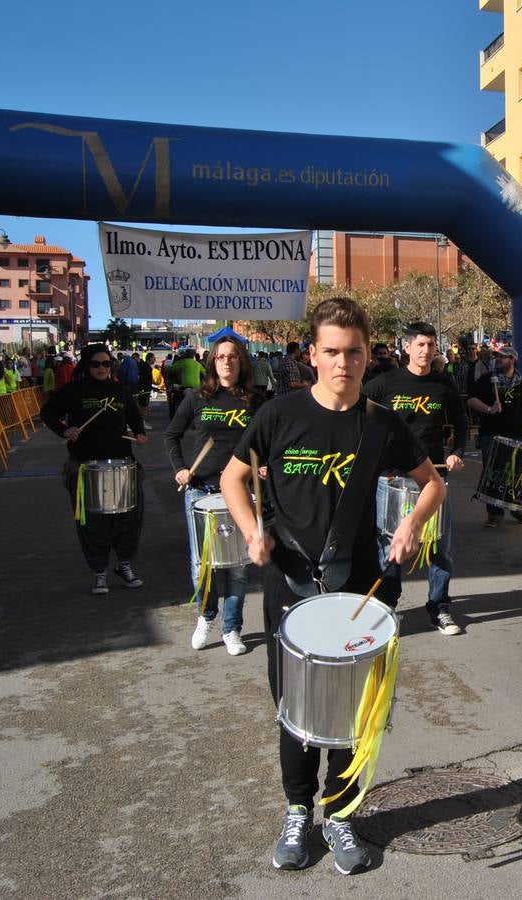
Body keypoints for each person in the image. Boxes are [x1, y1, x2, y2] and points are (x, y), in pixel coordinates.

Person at [220, 298, 442, 876]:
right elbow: (232, 477)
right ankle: (298, 809)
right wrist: (251, 530)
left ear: (368, 356)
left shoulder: (382, 424)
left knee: (350, 706)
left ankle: (340, 813)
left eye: (354, 352)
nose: (344, 363)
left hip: (358, 585)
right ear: (313, 355)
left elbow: (432, 484)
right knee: (293, 705)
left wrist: (411, 526)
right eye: (332, 352)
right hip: (291, 582)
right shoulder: (278, 415)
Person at [364, 321, 469, 636]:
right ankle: (387, 607)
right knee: (389, 547)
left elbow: (461, 421)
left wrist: (456, 451)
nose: (426, 350)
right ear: (407, 347)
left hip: (433, 478)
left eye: (431, 345)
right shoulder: (384, 383)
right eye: (420, 344)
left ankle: (440, 607)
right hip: (391, 478)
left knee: (439, 547)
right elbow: (358, 416)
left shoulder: (443, 384)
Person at [165, 336, 258, 655]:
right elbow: (171, 435)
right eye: (220, 357)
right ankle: (206, 616)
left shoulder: (253, 400)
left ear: (241, 361)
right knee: (202, 565)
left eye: (233, 356)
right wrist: (180, 468)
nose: (226, 362)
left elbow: (267, 440)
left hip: (239, 492)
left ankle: (232, 629)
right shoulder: (196, 398)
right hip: (200, 491)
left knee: (237, 566)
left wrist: (263, 464)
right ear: (212, 362)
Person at [39, 344, 148, 595]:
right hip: (85, 465)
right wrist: (65, 430)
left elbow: (134, 415)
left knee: (128, 519)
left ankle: (123, 564)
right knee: (93, 523)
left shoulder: (119, 390)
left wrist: (139, 432)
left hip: (121, 460)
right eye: (96, 364)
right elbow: (48, 413)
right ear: (87, 366)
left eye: (106, 364)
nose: (102, 368)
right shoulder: (74, 390)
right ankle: (99, 572)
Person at [467, 345, 522, 526]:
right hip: (491, 434)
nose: (498, 359)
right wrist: (489, 409)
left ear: (512, 360)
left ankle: (517, 508)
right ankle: (494, 513)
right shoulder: (487, 379)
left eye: (503, 357)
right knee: (493, 474)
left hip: (516, 435)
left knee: (517, 475)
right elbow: (471, 399)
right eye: (497, 356)